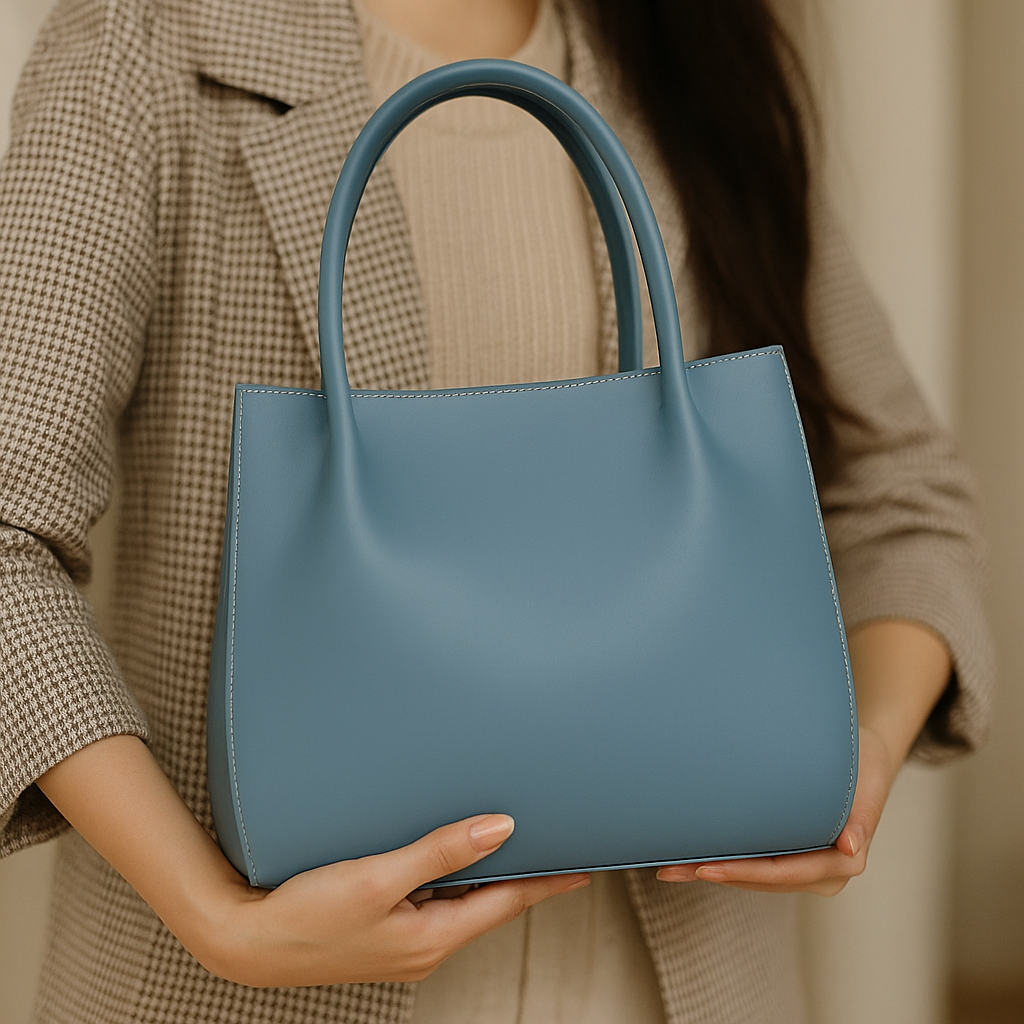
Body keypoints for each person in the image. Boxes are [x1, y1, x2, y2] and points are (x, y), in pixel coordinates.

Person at [0, 0, 992, 1022]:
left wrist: (857, 760)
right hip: (228, 998)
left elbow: (902, 497)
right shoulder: (146, 46)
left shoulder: (692, 55)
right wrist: (215, 914)